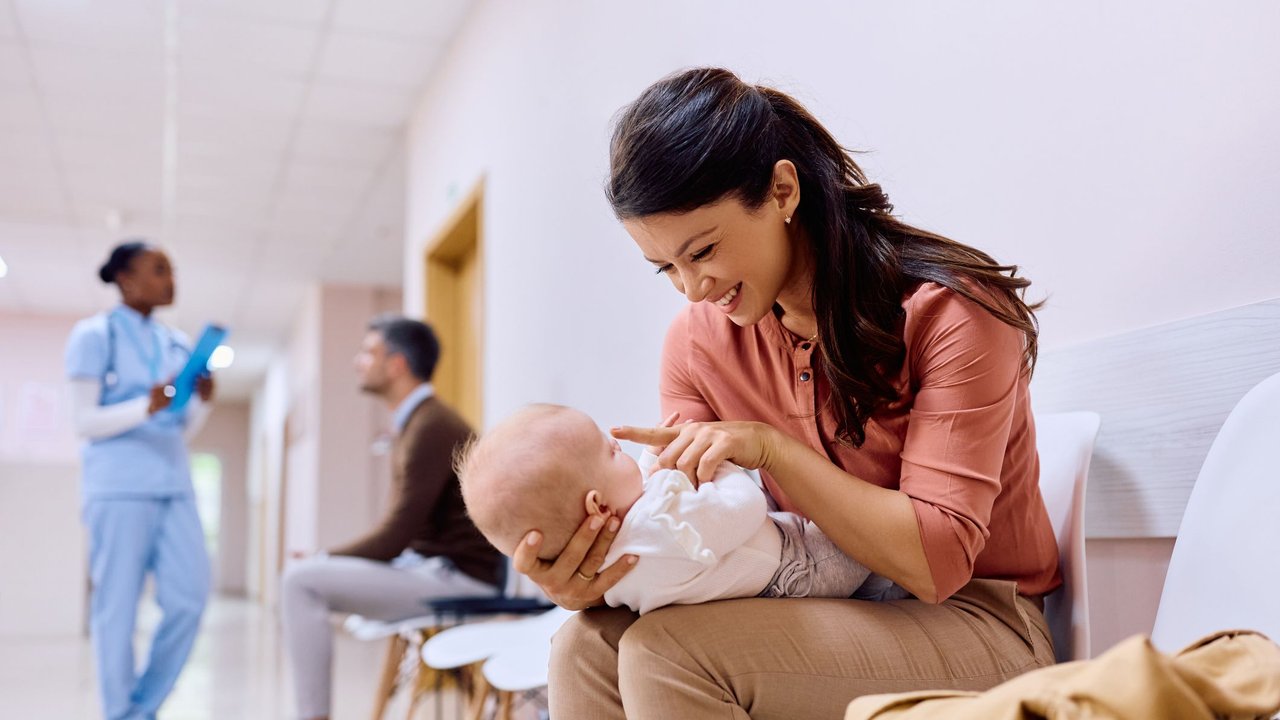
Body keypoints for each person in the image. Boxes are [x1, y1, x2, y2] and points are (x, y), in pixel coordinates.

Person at [514, 68, 1063, 718]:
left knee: (666, 652)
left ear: (781, 190)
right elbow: (688, 530)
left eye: (704, 250)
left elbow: (936, 565)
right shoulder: (696, 344)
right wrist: (591, 580)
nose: (691, 288)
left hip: (983, 626)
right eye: (666, 267)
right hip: (827, 606)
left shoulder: (951, 313)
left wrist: (771, 451)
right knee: (584, 645)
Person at [458, 404, 906, 615]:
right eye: (611, 452)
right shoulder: (657, 530)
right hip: (800, 571)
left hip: (768, 570)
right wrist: (719, 460)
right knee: (861, 527)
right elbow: (744, 506)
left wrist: (663, 458)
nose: (623, 450)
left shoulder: (620, 550)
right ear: (597, 505)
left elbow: (655, 489)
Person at [279, 315, 502, 720]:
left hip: (458, 578)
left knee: (300, 581)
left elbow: (394, 536)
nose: (358, 362)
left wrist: (323, 556)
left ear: (397, 364)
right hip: (435, 569)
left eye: (368, 352)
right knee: (305, 577)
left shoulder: (430, 426)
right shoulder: (420, 422)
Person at [65, 241, 216, 720]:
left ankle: (140, 708)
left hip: (173, 481)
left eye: (172, 270)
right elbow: (83, 421)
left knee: (190, 599)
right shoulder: (93, 336)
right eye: (158, 270)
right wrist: (142, 406)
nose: (171, 280)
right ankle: (120, 713)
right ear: (125, 278)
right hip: (118, 486)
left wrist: (204, 401)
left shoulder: (177, 343)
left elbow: (182, 427)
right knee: (117, 609)